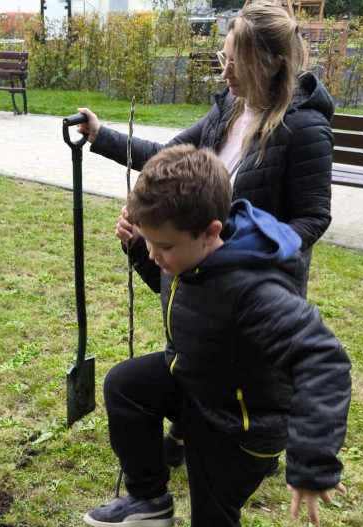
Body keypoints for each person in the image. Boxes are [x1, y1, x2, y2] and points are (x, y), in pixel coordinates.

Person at [81, 145, 351, 527]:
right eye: (149, 242)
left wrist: (313, 461)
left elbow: (323, 359)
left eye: (162, 246)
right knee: (126, 386)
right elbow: (180, 292)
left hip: (242, 423)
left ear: (212, 234)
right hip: (197, 381)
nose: (158, 256)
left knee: (212, 510)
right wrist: (143, 252)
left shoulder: (255, 289)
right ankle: (149, 498)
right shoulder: (192, 254)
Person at [75, 0, 334, 468]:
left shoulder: (304, 129)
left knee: (234, 371)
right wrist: (102, 136)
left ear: (271, 62)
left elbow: (313, 219)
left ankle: (242, 446)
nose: (225, 71)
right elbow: (167, 155)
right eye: (223, 57)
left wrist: (243, 249)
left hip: (252, 284)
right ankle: (184, 428)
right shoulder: (230, 112)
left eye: (236, 61)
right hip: (202, 274)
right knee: (194, 352)